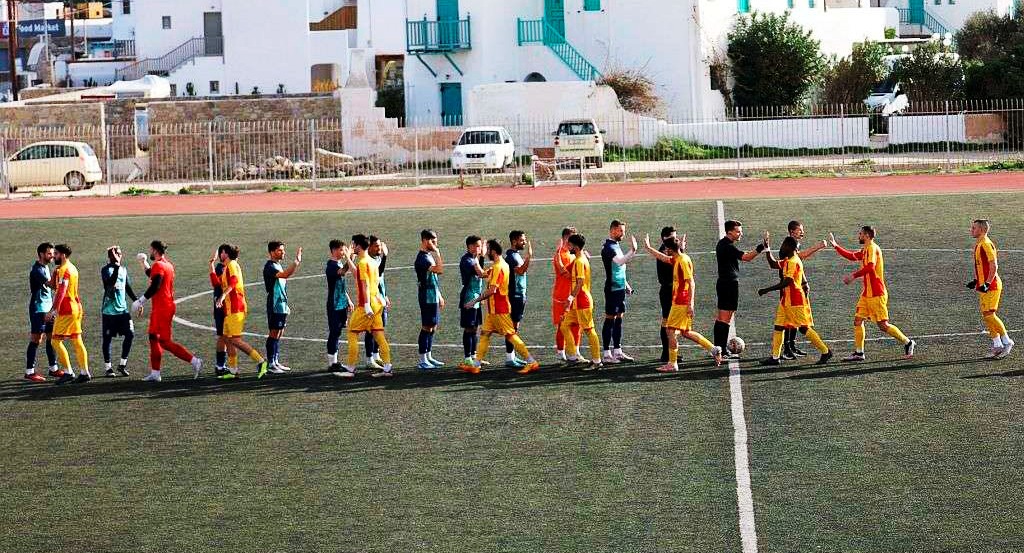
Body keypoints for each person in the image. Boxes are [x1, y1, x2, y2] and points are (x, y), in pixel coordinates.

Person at [830, 227, 916, 361]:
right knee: (858, 321)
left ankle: (908, 342)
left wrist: (853, 276)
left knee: (883, 325)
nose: (858, 236)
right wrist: (836, 246)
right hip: (866, 294)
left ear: (866, 235)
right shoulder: (865, 249)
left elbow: (870, 267)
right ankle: (859, 353)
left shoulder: (872, 248)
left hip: (877, 293)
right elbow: (851, 256)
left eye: (860, 234)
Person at [643, 233, 723, 371]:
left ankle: (672, 363)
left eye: (666, 249)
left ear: (670, 249)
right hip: (680, 302)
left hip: (681, 302)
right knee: (686, 332)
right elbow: (664, 258)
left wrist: (690, 304)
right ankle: (713, 349)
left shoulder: (682, 262)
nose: (665, 251)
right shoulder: (678, 258)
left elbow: (691, 282)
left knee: (670, 331)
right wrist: (649, 248)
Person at [461, 239, 540, 375]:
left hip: (499, 309)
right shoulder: (497, 265)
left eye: (488, 250)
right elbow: (483, 274)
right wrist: (478, 258)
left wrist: (474, 301)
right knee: (485, 334)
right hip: (493, 310)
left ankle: (531, 361)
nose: (486, 253)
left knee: (510, 335)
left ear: (493, 251)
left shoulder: (499, 267)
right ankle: (476, 365)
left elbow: (492, 290)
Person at [130, 241, 203, 382]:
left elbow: (156, 285)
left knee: (164, 341)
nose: (150, 252)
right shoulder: (167, 265)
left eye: (151, 250)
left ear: (155, 250)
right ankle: (155, 373)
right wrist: (144, 263)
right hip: (164, 307)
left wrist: (140, 301)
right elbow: (153, 275)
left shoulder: (159, 265)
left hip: (162, 308)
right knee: (153, 337)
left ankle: (195, 361)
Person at [756, 236, 832, 366]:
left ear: (790, 247)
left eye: (784, 245)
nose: (782, 248)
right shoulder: (788, 260)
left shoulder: (793, 262)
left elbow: (788, 282)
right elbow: (773, 264)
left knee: (803, 328)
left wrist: (767, 289)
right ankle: (775, 357)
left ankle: (825, 351)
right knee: (779, 326)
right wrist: (767, 249)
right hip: (786, 300)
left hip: (795, 300)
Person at [205, 243, 267, 380]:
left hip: (236, 308)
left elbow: (234, 281)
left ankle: (261, 362)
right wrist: (211, 266)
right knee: (228, 339)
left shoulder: (232, 265)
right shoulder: (226, 268)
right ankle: (233, 371)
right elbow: (217, 284)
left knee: (236, 340)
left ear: (226, 253)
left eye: (222, 252)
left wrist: (222, 296)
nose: (220, 254)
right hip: (229, 310)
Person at [336, 234, 393, 378]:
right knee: (379, 335)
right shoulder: (372, 262)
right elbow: (358, 275)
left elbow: (365, 285)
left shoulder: (362, 263)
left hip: (366, 304)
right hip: (377, 303)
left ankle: (350, 369)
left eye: (353, 245)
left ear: (358, 246)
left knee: (352, 332)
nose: (352, 247)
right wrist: (348, 257)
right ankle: (387, 368)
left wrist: (366, 305)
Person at [714, 220, 767, 357]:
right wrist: (761, 247)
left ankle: (718, 348)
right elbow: (746, 257)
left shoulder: (724, 244)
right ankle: (721, 350)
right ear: (729, 232)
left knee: (722, 318)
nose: (740, 234)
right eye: (738, 231)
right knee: (725, 318)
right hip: (728, 285)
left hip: (725, 283)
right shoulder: (727, 246)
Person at [968, 219, 1014, 359]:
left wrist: (987, 283)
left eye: (974, 228)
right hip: (983, 286)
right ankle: (997, 345)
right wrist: (976, 281)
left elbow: (994, 266)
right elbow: (981, 266)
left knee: (989, 315)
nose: (971, 230)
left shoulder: (986, 244)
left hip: (992, 286)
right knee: (986, 316)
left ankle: (1007, 342)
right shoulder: (979, 244)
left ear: (982, 230)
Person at [47, 244, 90, 384]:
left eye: (56, 254)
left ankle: (68, 372)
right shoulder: (72, 268)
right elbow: (57, 286)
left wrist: (53, 310)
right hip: (76, 308)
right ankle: (84, 373)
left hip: (66, 310)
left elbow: (61, 290)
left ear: (63, 255)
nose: (54, 256)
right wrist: (54, 275)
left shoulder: (64, 270)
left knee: (55, 341)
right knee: (77, 340)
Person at [561, 234, 604, 369]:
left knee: (589, 330)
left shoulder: (580, 261)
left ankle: (597, 361)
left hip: (582, 302)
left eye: (570, 245)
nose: (568, 247)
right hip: (577, 303)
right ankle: (573, 357)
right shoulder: (578, 259)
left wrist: (569, 298)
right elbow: (565, 271)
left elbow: (579, 282)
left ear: (576, 247)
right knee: (564, 325)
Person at [600, 220, 640, 364]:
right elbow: (620, 262)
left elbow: (619, 269)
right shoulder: (608, 247)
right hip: (612, 289)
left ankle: (617, 351)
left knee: (619, 319)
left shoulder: (616, 245)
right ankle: (606, 354)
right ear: (613, 230)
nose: (623, 233)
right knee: (610, 319)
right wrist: (633, 250)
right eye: (621, 231)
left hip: (619, 288)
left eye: (624, 231)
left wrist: (626, 285)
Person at [264, 240, 302, 374]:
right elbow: (285, 275)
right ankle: (270, 363)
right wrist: (296, 262)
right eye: (280, 250)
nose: (283, 252)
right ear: (272, 252)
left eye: (283, 250)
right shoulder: (270, 267)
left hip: (281, 304)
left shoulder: (277, 265)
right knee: (274, 333)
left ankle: (275, 361)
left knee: (279, 333)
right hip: (275, 304)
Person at [25, 242, 60, 382]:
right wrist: (59, 271)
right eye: (49, 253)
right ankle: (29, 372)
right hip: (38, 309)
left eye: (53, 253)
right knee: (36, 339)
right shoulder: (37, 270)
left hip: (48, 309)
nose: (52, 256)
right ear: (41, 254)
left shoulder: (45, 267)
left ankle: (53, 368)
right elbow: (52, 285)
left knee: (52, 338)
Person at [100, 246, 137, 377]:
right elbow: (110, 283)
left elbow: (127, 287)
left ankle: (122, 365)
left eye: (119, 254)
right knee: (107, 339)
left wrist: (137, 301)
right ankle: (108, 368)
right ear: (110, 256)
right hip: (109, 312)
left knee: (130, 334)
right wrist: (116, 266)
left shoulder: (123, 269)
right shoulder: (105, 270)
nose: (118, 256)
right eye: (115, 254)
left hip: (123, 311)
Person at [414, 229, 445, 370]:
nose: (435, 244)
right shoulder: (422, 259)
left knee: (433, 326)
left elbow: (434, 278)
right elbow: (439, 270)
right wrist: (437, 252)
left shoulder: (428, 256)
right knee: (427, 327)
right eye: (433, 241)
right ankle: (422, 360)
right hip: (426, 296)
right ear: (425, 241)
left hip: (433, 295)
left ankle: (429, 356)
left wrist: (439, 295)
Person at [552, 227, 581, 361]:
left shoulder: (573, 254)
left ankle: (576, 352)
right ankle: (561, 353)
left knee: (577, 324)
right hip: (562, 296)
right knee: (562, 325)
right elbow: (566, 274)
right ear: (566, 239)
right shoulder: (561, 255)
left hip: (573, 295)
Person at [504, 230, 532, 367]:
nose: (524, 242)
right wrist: (529, 257)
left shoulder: (515, 255)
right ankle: (509, 358)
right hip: (514, 296)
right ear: (514, 241)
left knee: (514, 327)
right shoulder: (512, 257)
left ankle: (512, 356)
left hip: (519, 295)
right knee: (511, 327)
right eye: (522, 240)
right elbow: (521, 271)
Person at [459, 235, 488, 367]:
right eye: (477, 246)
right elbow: (481, 274)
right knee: (469, 328)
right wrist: (497, 268)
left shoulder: (474, 258)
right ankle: (467, 358)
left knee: (475, 328)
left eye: (480, 246)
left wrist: (481, 257)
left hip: (476, 298)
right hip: (469, 297)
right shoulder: (467, 260)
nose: (479, 248)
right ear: (470, 246)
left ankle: (474, 356)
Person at [325, 239, 353, 373]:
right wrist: (350, 256)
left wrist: (348, 300)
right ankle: (332, 363)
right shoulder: (331, 265)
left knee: (338, 332)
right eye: (341, 250)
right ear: (334, 250)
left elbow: (341, 286)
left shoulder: (339, 263)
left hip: (341, 303)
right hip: (334, 304)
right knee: (334, 332)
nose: (343, 252)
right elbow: (342, 272)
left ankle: (335, 362)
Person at [363, 235, 388, 369]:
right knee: (371, 330)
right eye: (377, 246)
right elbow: (378, 273)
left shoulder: (377, 258)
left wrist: (385, 295)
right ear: (370, 247)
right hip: (372, 300)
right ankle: (369, 359)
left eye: (380, 245)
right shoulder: (367, 261)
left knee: (380, 328)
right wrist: (385, 257)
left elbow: (381, 280)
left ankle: (375, 354)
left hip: (380, 299)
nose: (379, 248)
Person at [655, 226, 678, 363]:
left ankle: (669, 352)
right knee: (667, 321)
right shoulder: (665, 251)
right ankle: (667, 353)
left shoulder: (669, 250)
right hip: (668, 291)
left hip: (671, 290)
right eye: (673, 237)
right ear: (665, 238)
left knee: (670, 322)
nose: (675, 240)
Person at [208, 249, 230, 376]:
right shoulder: (221, 268)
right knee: (223, 336)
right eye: (224, 252)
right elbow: (217, 283)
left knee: (226, 336)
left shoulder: (227, 267)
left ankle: (222, 365)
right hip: (221, 307)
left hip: (226, 307)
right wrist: (211, 264)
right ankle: (220, 365)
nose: (226, 254)